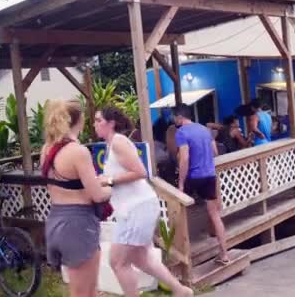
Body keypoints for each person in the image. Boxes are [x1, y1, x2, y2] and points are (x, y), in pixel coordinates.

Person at [94, 106, 193, 297]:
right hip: (135, 208)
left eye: (99, 120)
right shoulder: (110, 144)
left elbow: (140, 172)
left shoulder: (119, 142)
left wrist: (110, 180)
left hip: (137, 208)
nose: (95, 124)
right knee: (141, 260)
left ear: (111, 123)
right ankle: (181, 291)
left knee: (117, 261)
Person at [40, 100, 112, 297]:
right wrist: (109, 186)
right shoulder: (78, 152)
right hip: (79, 225)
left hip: (56, 220)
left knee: (89, 291)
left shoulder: (46, 149)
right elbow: (97, 195)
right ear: (79, 120)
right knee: (83, 293)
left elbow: (60, 185)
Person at [174, 104, 230, 265]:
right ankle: (224, 254)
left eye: (174, 117)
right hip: (209, 175)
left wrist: (181, 183)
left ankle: (183, 256)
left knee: (182, 212)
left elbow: (184, 159)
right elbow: (215, 152)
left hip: (193, 176)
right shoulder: (204, 130)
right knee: (215, 214)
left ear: (179, 117)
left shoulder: (181, 133)